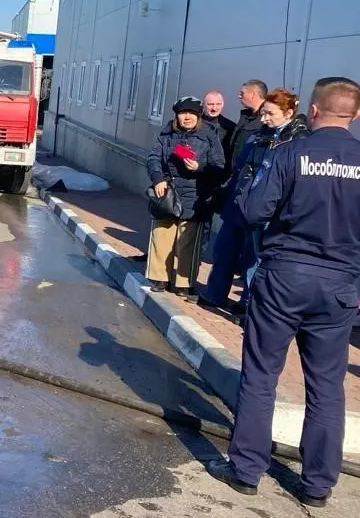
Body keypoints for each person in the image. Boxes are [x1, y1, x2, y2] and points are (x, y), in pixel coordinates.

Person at [206, 77, 360, 508]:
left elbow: (254, 210)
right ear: (356, 114)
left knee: (260, 376)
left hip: (285, 276)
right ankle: (317, 485)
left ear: (313, 110)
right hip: (340, 285)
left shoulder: (291, 153)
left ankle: (246, 469)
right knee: (328, 386)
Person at [202, 88, 308, 313]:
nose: (264, 118)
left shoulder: (297, 141)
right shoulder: (259, 135)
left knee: (255, 259)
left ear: (288, 112)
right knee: (224, 249)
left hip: (267, 209)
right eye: (263, 113)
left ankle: (248, 305)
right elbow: (241, 166)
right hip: (240, 201)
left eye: (270, 113)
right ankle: (215, 294)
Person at [144, 96, 226, 300]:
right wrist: (158, 178)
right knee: (162, 236)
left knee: (188, 241)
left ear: (198, 116)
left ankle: (184, 283)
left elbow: (219, 166)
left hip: (196, 193)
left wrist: (201, 168)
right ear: (177, 115)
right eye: (183, 113)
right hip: (168, 192)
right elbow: (154, 157)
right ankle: (160, 278)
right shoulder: (167, 134)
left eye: (191, 113)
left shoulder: (209, 135)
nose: (187, 117)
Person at [225, 79, 267, 174]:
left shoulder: (267, 120)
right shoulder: (246, 117)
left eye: (242, 93)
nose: (239, 96)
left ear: (253, 95)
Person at [202, 89, 237, 163]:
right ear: (204, 104)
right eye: (210, 104)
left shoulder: (230, 127)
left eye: (218, 104)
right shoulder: (194, 123)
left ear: (222, 105)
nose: (214, 108)